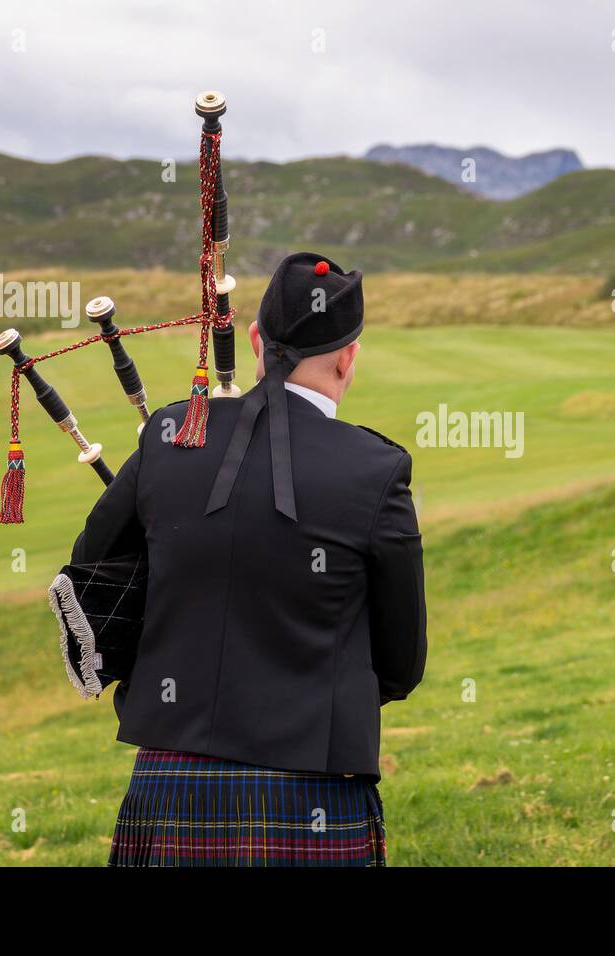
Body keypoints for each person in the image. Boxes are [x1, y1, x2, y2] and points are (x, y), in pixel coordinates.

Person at [70, 252, 427, 866]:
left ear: (258, 340)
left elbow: (90, 584)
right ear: (349, 355)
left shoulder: (170, 436)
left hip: (170, 781)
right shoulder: (377, 470)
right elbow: (399, 664)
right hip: (312, 792)